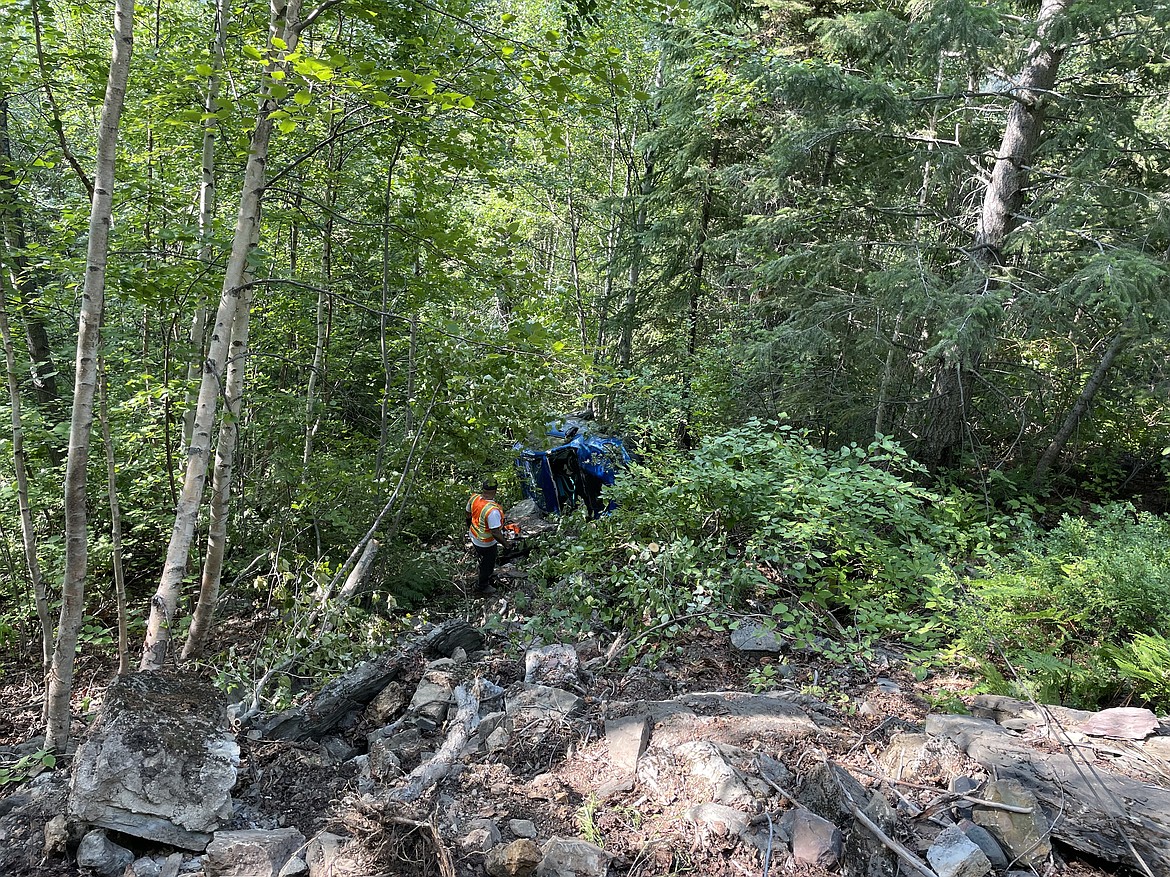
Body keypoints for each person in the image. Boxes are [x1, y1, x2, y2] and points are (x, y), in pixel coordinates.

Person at [466, 477, 507, 595]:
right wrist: (506, 544)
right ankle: (482, 586)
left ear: (483, 489)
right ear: (495, 491)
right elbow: (495, 532)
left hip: (474, 536)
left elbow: (468, 514)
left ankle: (482, 567)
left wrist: (469, 527)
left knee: (482, 558)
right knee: (488, 564)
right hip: (486, 543)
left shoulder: (474, 498)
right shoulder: (493, 511)